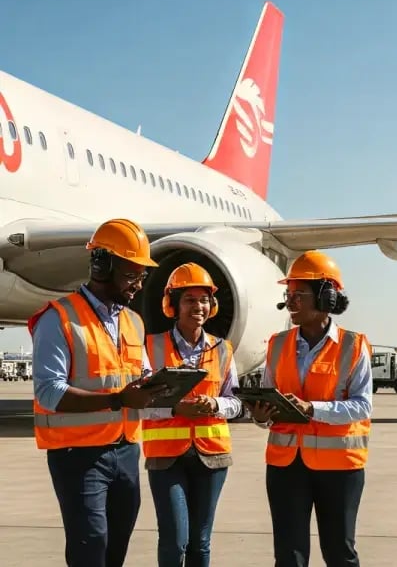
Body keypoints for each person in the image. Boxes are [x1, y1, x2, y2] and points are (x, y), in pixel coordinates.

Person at [30, 217, 167, 567]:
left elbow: (142, 373)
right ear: (103, 265)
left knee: (115, 546)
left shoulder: (134, 321)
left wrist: (162, 386)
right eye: (132, 274)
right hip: (78, 456)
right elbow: (48, 392)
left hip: (125, 452)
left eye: (142, 275)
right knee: (91, 545)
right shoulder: (58, 318)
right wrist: (120, 400)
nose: (138, 284)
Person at [245, 250, 373, 567]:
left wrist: (312, 408)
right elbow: (269, 399)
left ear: (326, 297)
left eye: (298, 295)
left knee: (339, 553)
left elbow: (362, 406)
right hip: (286, 465)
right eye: (288, 295)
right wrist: (260, 417)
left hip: (340, 468)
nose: (290, 302)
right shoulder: (276, 345)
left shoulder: (353, 346)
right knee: (289, 555)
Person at [140, 262, 241, 567]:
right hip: (166, 456)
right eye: (189, 300)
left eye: (204, 300)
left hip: (212, 456)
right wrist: (175, 408)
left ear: (212, 305)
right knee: (174, 539)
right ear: (172, 304)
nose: (198, 306)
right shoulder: (151, 347)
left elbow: (235, 402)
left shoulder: (223, 349)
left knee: (200, 542)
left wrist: (215, 405)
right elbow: (140, 401)